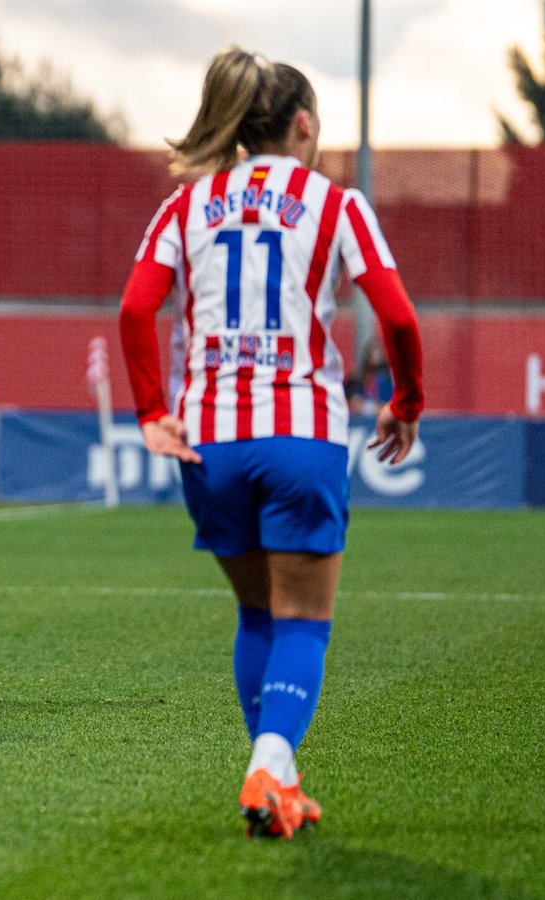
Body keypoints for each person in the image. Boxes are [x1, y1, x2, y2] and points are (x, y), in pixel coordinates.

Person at [117, 47, 424, 839]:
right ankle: (270, 762)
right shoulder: (335, 203)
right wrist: (406, 400)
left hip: (209, 442)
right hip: (302, 433)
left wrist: (152, 410)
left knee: (257, 616)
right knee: (304, 623)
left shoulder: (187, 205)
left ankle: (280, 785)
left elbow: (135, 309)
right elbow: (397, 316)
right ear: (303, 124)